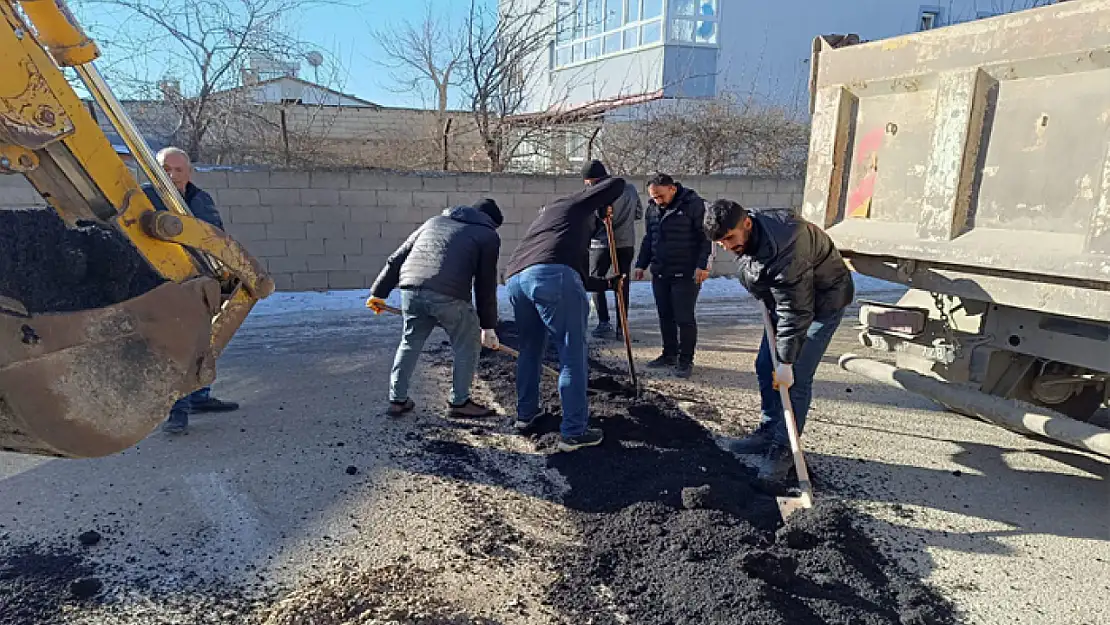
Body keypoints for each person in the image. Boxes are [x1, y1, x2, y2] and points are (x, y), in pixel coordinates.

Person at [703, 199, 854, 485]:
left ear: (746, 223)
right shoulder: (748, 234)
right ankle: (769, 429)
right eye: (720, 242)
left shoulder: (786, 249)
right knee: (764, 366)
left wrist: (786, 362)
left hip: (822, 304)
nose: (726, 246)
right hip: (785, 302)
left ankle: (784, 448)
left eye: (729, 238)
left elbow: (797, 312)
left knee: (793, 377)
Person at [503, 178, 627, 452]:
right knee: (572, 352)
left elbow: (577, 277)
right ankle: (574, 432)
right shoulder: (573, 206)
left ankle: (526, 416)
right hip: (550, 276)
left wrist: (608, 284)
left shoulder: (554, 229)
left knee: (530, 350)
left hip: (516, 279)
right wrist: (604, 203)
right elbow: (617, 183)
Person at [367, 199, 504, 419]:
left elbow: (397, 258)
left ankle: (397, 399)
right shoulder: (488, 235)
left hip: (411, 290)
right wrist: (488, 326)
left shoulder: (433, 222)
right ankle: (460, 402)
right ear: (491, 222)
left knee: (410, 342)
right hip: (449, 295)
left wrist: (378, 293)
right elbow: (485, 284)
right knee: (467, 343)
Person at [142, 146, 239, 434]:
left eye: (177, 169)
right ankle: (177, 410)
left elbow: (214, 235)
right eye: (165, 169)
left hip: (197, 281)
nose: (171, 175)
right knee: (176, 346)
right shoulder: (143, 199)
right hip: (158, 284)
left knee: (202, 340)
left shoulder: (201, 199)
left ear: (189, 172)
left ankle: (199, 396)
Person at [633, 173, 711, 379]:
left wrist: (702, 266)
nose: (657, 200)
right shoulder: (653, 209)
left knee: (684, 318)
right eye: (653, 196)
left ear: (672, 189)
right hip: (661, 271)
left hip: (686, 272)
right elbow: (650, 239)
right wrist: (641, 264)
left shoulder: (694, 205)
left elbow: (706, 239)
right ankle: (669, 354)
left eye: (660, 196)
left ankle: (686, 360)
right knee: (665, 316)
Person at [582, 160, 642, 339]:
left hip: (600, 244)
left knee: (596, 281)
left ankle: (603, 323)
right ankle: (622, 327)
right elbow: (638, 213)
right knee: (622, 284)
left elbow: (589, 219)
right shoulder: (629, 189)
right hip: (626, 243)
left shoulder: (595, 192)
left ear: (591, 180)